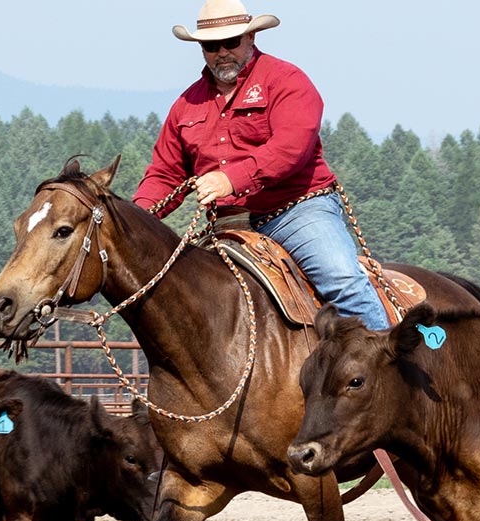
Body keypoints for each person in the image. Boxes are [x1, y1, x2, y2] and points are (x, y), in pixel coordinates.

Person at [133, 0, 390, 330]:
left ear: (251, 38)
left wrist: (231, 179)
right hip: (226, 226)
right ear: (202, 49)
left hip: (298, 212)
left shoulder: (287, 81)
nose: (222, 52)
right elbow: (165, 173)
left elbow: (291, 147)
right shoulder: (186, 105)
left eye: (231, 42)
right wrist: (134, 219)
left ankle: (391, 371)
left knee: (342, 282)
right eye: (212, 45)